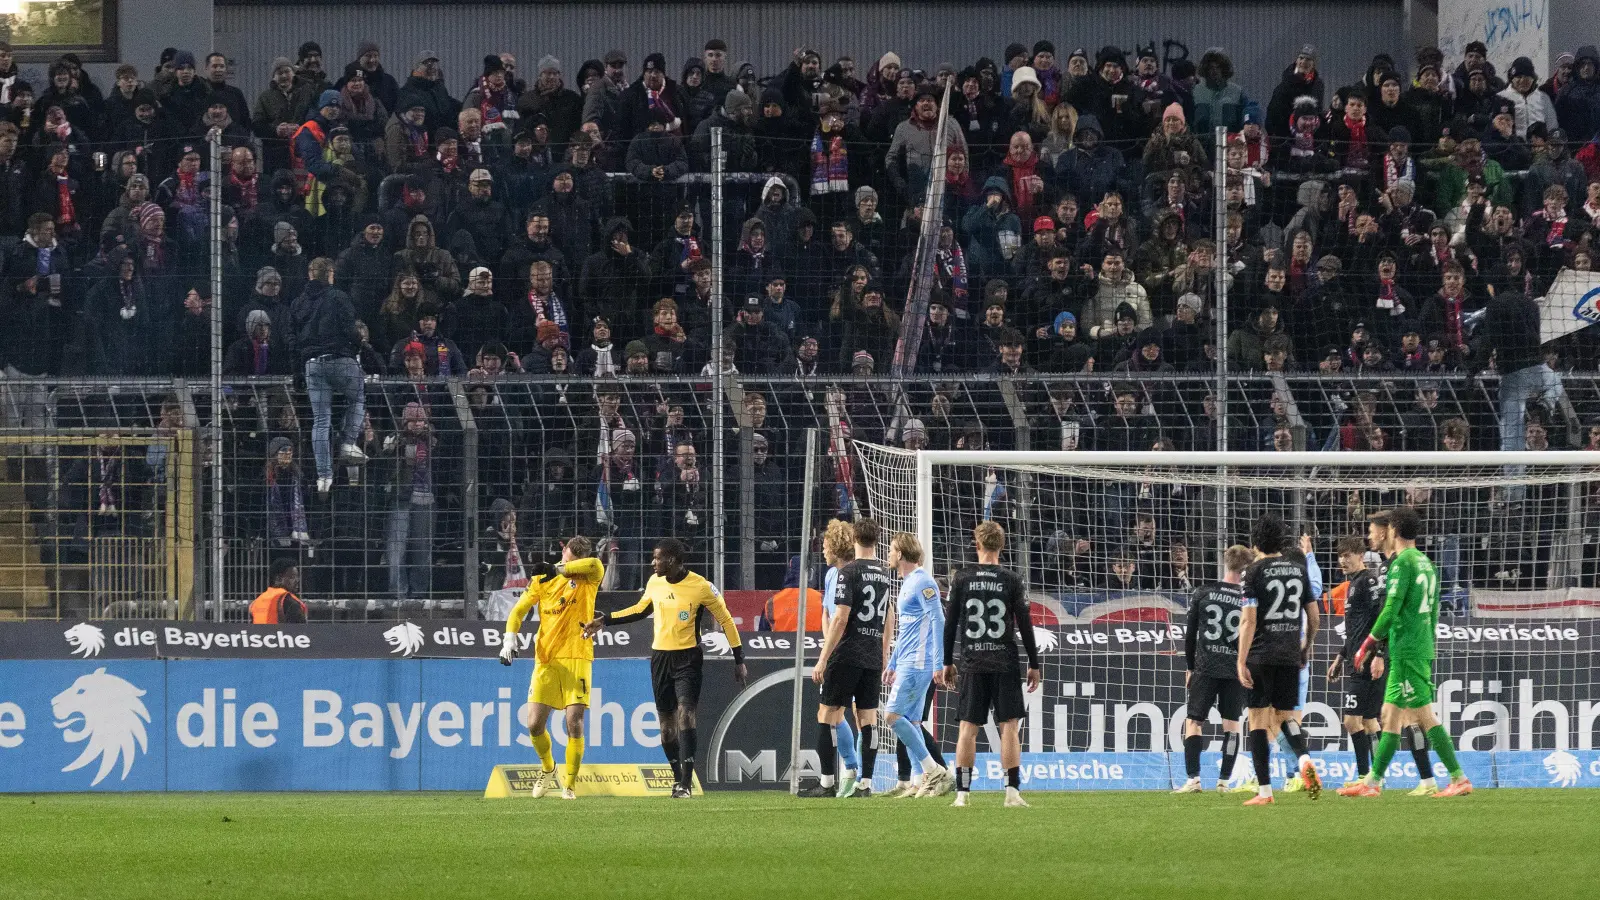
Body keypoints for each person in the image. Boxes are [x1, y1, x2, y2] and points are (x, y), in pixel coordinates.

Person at [583, 538, 746, 798]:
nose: (653, 562)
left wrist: (739, 659)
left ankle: (686, 782)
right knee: (667, 727)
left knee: (686, 715)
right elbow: (639, 610)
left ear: (671, 560)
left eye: (657, 558)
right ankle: (676, 778)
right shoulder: (654, 582)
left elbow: (726, 620)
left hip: (688, 658)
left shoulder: (700, 586)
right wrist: (605, 620)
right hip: (660, 658)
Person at [1341, 507, 1473, 798]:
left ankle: (1459, 777)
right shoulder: (1426, 562)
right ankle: (1372, 782)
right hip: (1411, 647)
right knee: (1390, 715)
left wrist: (1368, 644)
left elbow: (1391, 608)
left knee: (1424, 716)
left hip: (1409, 650)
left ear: (1392, 530)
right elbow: (1434, 610)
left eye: (1375, 529)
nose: (1371, 534)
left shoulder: (1403, 563)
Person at [941, 521, 1041, 808]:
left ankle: (963, 794)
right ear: (1003, 546)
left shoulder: (961, 578)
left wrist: (947, 661)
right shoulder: (1012, 579)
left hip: (972, 661)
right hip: (1004, 661)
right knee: (1009, 727)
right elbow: (1025, 624)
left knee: (967, 729)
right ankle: (1012, 792)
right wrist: (1034, 663)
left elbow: (950, 625)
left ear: (977, 545)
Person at [498, 536, 604, 800]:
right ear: (563, 548)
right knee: (534, 724)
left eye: (580, 553)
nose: (575, 556)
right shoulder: (541, 581)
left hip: (577, 655)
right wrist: (509, 639)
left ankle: (569, 786)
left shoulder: (591, 574)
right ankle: (548, 768)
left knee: (574, 722)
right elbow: (518, 611)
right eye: (571, 551)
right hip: (546, 659)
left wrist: (557, 568)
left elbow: (593, 563)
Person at [801, 518, 893, 798]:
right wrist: (885, 651)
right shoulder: (884, 572)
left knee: (827, 714)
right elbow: (889, 613)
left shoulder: (848, 572)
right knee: (868, 718)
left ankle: (827, 783)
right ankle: (864, 784)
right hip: (872, 653)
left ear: (854, 539)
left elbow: (840, 618)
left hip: (847, 652)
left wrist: (823, 658)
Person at [1235, 513, 1321, 804]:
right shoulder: (1298, 569)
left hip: (1261, 653)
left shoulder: (1253, 571)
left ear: (1256, 542)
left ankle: (1265, 792)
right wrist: (1305, 647)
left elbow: (1248, 621)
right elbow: (1314, 617)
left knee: (1258, 720)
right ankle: (1305, 758)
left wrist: (1240, 660)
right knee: (1285, 717)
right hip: (1289, 653)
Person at [1174, 544, 1254, 794]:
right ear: (1246, 568)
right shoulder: (1248, 598)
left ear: (1225, 562)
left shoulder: (1204, 591)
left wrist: (1189, 667)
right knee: (1232, 726)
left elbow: (1190, 636)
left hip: (1205, 667)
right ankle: (1223, 782)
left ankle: (1193, 780)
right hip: (1234, 669)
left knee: (1194, 722)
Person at [879, 533, 953, 799]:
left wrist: (938, 663)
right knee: (911, 720)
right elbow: (908, 629)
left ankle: (934, 770)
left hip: (920, 663)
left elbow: (938, 621)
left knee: (892, 717)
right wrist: (894, 662)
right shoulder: (908, 582)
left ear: (900, 554)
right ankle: (922, 780)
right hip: (908, 660)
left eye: (891, 550)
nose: (888, 554)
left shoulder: (923, 582)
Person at [289, 257, 365, 494]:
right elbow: (351, 329)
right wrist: (356, 346)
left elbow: (291, 339)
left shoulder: (298, 303)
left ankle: (324, 476)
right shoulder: (338, 297)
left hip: (312, 365)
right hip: (339, 359)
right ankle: (348, 443)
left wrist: (297, 370)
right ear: (331, 274)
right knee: (358, 396)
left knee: (320, 420)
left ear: (310, 274)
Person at [1325, 535, 1385, 789]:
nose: (1342, 560)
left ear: (1360, 555)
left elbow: (1379, 620)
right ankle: (1375, 779)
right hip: (1356, 659)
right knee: (1370, 721)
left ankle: (1364, 777)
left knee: (1351, 721)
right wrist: (1340, 657)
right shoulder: (1352, 585)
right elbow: (1356, 631)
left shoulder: (1367, 582)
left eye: (1347, 555)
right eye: (1340, 556)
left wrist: (1377, 654)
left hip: (1367, 661)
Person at [250, 558, 307, 624]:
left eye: (297, 577)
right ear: (278, 578)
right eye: (292, 577)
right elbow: (299, 631)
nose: (297, 580)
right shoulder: (289, 601)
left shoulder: (257, 601)